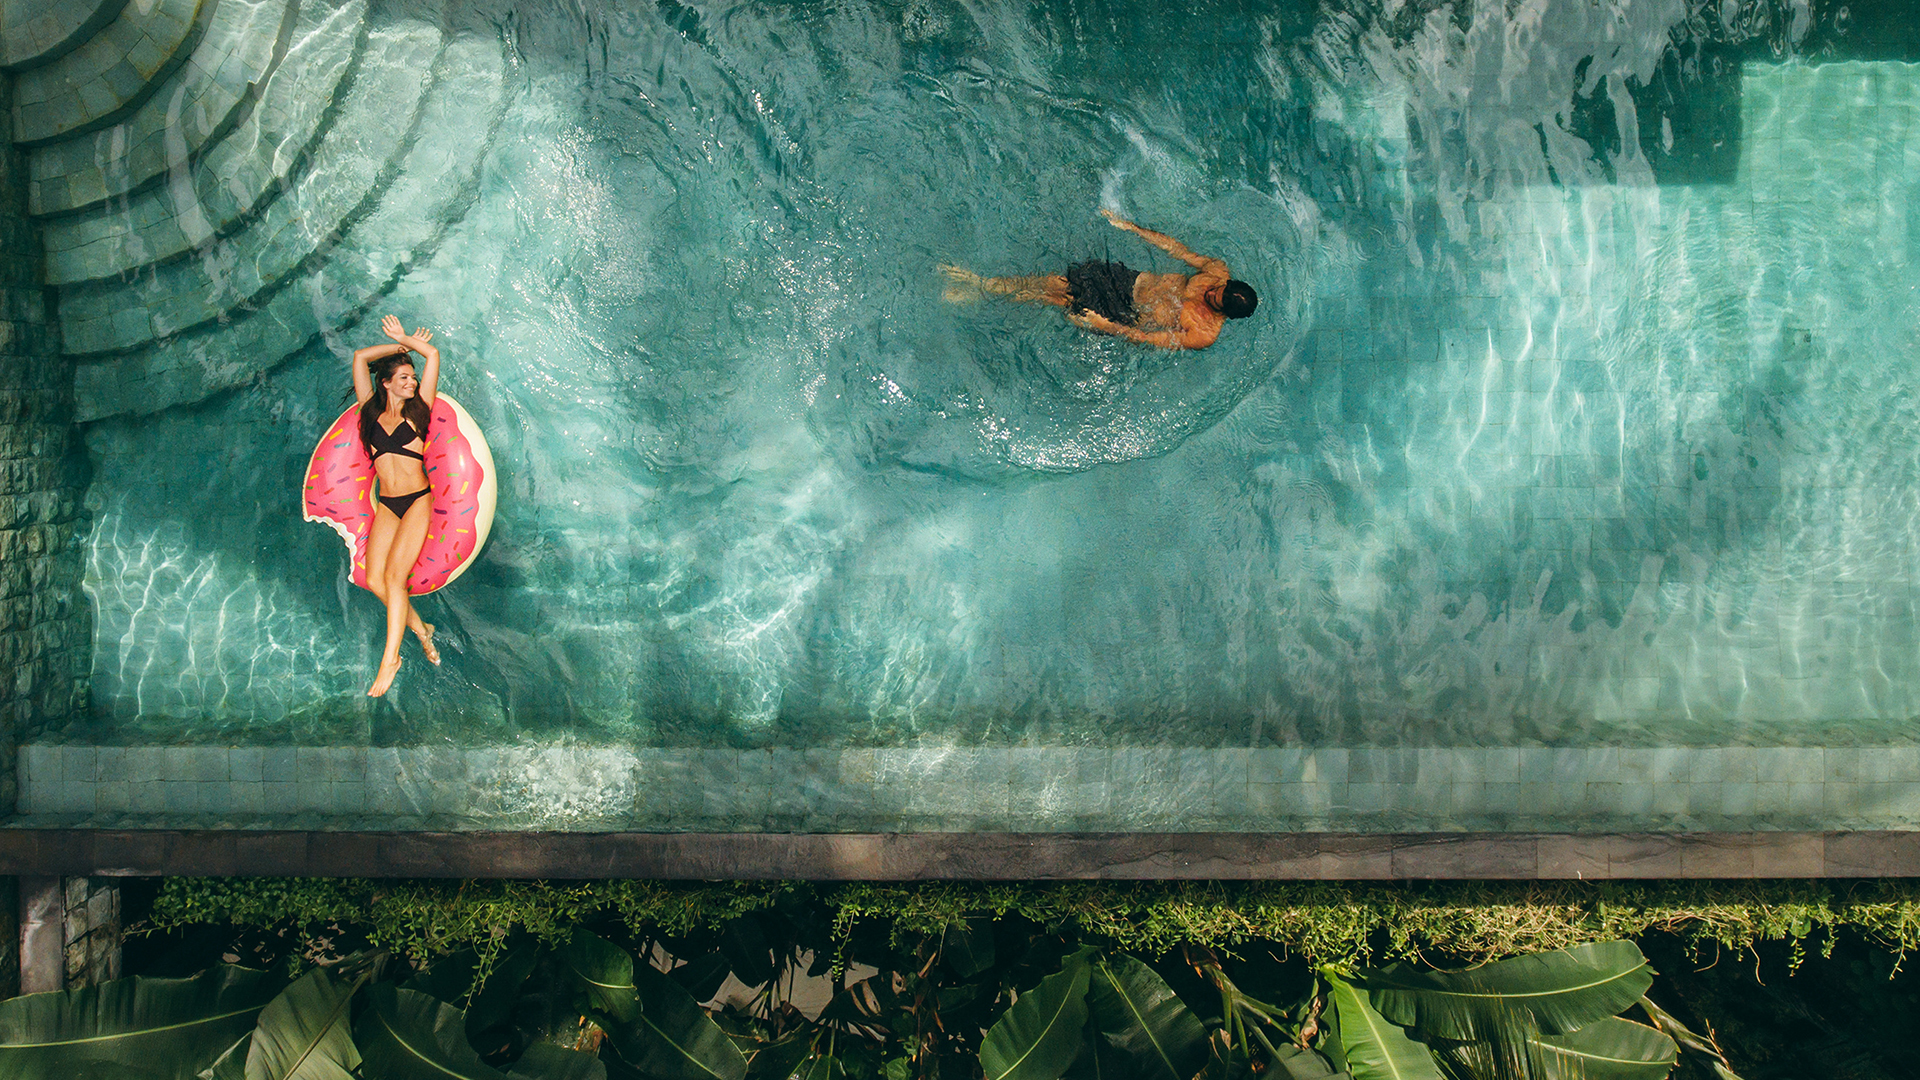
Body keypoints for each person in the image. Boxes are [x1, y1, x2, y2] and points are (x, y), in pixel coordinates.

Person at [940, 209, 1257, 349]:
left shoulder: (1204, 333)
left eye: (1213, 299)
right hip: (1128, 281)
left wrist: (1106, 327)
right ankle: (982, 286)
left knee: (1053, 297)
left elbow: (1148, 339)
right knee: (1055, 283)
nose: (1209, 292)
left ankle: (981, 287)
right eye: (1215, 288)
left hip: (1122, 315)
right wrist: (1131, 227)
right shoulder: (1216, 272)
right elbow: (1176, 249)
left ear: (1222, 312)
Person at [351, 314, 442, 697]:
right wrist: (397, 349)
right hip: (388, 504)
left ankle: (391, 659)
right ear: (386, 383)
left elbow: (433, 354)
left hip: (418, 501)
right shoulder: (369, 411)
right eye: (404, 377)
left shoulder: (420, 408)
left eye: (413, 377)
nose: (412, 381)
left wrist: (406, 338)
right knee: (374, 580)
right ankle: (422, 629)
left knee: (393, 579)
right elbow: (359, 358)